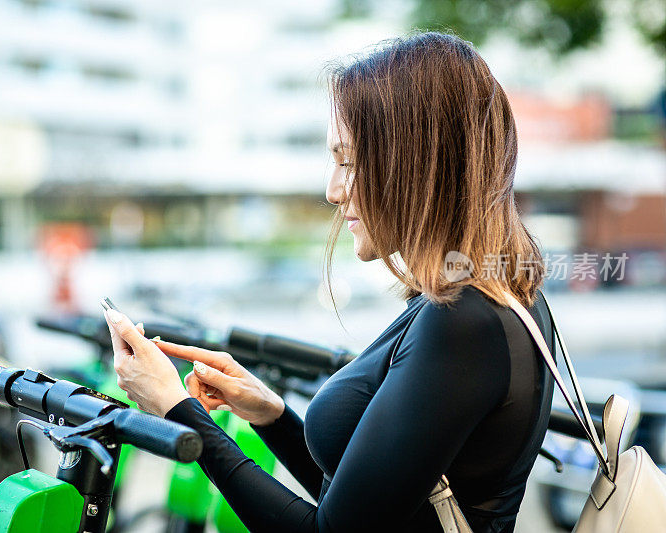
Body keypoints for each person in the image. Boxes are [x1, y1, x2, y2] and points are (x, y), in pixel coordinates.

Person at [104, 32, 556, 532]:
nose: (333, 189)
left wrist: (178, 410)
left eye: (349, 161)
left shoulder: (463, 321)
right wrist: (273, 416)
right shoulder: (489, 297)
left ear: (414, 162)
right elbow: (369, 499)